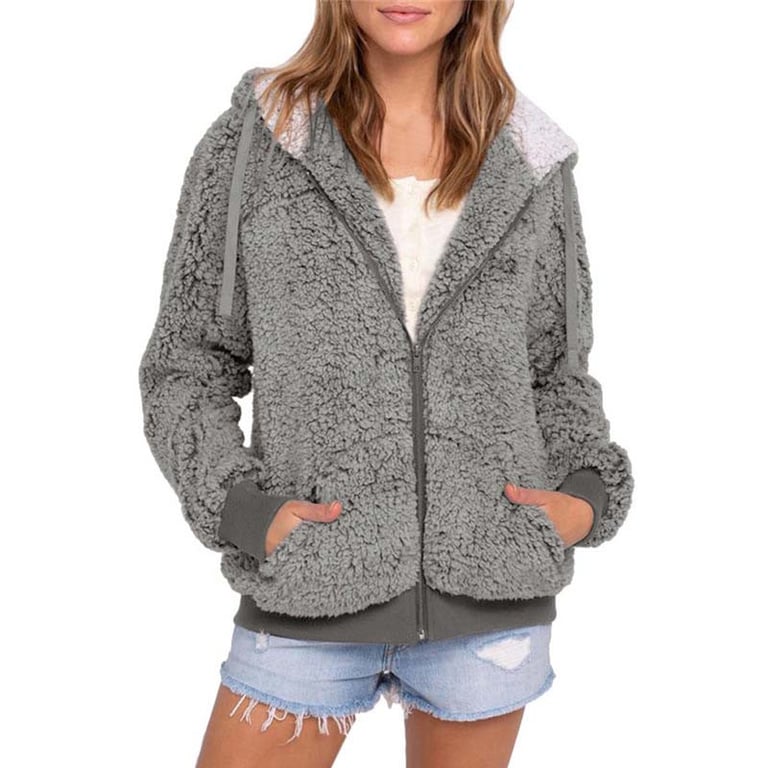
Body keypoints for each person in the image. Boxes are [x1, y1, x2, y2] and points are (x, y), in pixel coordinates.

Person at [138, 1, 634, 766]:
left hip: (491, 601)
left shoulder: (530, 162)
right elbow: (186, 364)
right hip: (308, 588)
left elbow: (556, 375)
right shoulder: (256, 145)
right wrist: (245, 512)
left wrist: (584, 498)